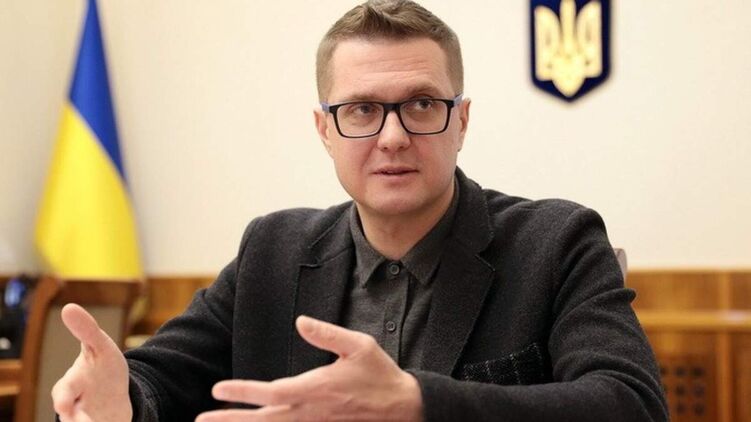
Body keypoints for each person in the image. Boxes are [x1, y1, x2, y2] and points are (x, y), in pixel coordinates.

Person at [52, 1, 668, 421]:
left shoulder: (557, 242)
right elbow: (160, 379)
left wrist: (418, 403)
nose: (393, 137)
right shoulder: (272, 251)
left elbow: (631, 404)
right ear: (325, 129)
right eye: (362, 110)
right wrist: (119, 399)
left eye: (422, 104)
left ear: (461, 121)